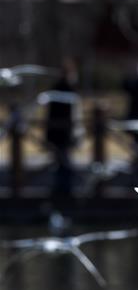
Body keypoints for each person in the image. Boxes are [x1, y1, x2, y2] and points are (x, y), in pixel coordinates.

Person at [45, 57, 79, 197]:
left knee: (60, 162)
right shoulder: (68, 89)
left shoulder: (55, 88)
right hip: (63, 133)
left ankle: (60, 189)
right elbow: (71, 113)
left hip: (56, 132)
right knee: (64, 162)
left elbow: (51, 113)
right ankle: (65, 190)